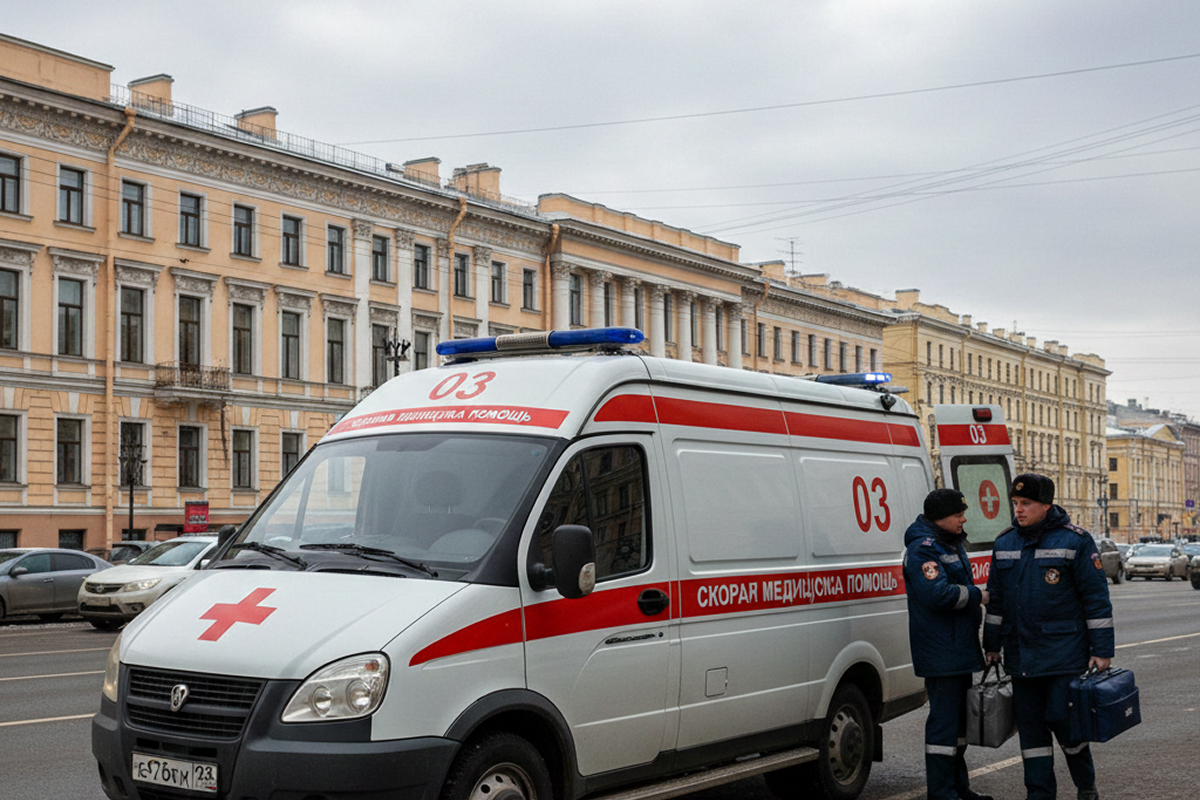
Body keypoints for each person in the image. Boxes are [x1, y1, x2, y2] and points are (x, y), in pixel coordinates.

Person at [983, 474, 1114, 800]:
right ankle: (1039, 794)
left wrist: (1102, 650)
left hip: (1063, 653)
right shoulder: (1005, 543)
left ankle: (1086, 785)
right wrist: (992, 644)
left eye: (1026, 503)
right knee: (1030, 731)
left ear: (1046, 505)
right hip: (1021, 656)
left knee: (1064, 720)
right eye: (1015, 503)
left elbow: (1096, 600)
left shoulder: (1075, 541)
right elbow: (996, 601)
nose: (1018, 510)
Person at [903, 488, 993, 800]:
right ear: (940, 517)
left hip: (958, 647)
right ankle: (941, 793)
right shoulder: (923, 549)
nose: (963, 519)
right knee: (944, 726)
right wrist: (978, 596)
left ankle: (958, 788)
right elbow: (936, 594)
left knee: (958, 727)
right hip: (941, 651)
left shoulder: (949, 542)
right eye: (958, 514)